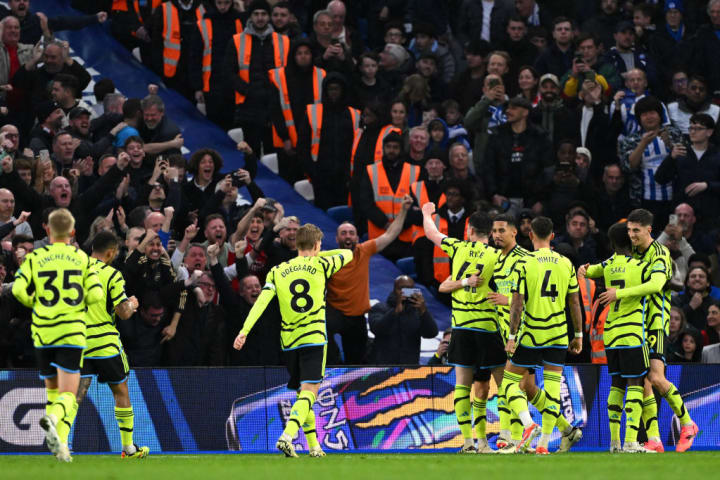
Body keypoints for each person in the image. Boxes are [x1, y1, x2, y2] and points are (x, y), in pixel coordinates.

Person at [233, 223, 352, 458]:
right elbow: (348, 253)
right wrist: (317, 253)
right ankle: (287, 435)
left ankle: (314, 446)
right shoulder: (321, 263)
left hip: (289, 341)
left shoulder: (277, 271)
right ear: (317, 245)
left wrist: (244, 330)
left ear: (297, 245)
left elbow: (261, 303)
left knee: (301, 394)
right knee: (310, 391)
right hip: (314, 337)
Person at [11, 208, 102, 462]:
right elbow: (95, 296)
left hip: (43, 332)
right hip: (71, 331)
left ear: (47, 231)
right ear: (72, 232)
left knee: (53, 391)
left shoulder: (34, 258)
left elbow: (18, 290)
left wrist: (36, 302)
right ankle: (51, 419)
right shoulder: (82, 258)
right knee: (68, 394)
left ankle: (61, 447)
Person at [499, 216, 583, 455]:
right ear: (553, 236)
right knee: (552, 391)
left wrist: (512, 336)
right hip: (558, 334)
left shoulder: (524, 263)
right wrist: (578, 334)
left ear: (531, 235)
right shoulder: (566, 263)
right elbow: (574, 301)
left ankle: (528, 425)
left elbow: (516, 303)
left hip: (532, 334)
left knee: (509, 384)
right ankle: (545, 445)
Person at [422, 202, 502, 453]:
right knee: (500, 386)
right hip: (488, 327)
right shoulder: (497, 256)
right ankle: (504, 437)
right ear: (490, 233)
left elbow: (431, 233)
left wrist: (427, 214)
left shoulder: (458, 247)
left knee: (462, 385)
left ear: (468, 230)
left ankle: (467, 441)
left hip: (462, 326)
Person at [580, 222, 660, 453]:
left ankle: (614, 443)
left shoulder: (606, 265)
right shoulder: (640, 266)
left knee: (616, 384)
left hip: (611, 334)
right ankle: (630, 441)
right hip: (632, 332)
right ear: (630, 241)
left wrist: (583, 268)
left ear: (612, 243)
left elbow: (588, 270)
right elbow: (659, 284)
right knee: (636, 383)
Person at [623, 208, 698, 452]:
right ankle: (654, 438)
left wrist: (620, 292)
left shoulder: (660, 253)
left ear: (648, 230)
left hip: (655, 323)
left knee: (655, 377)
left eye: (636, 230)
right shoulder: (634, 251)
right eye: (629, 230)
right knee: (644, 381)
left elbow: (656, 285)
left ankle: (687, 423)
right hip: (637, 324)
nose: (632, 235)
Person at [72, 231, 148, 459]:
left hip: (77, 342)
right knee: (121, 391)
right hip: (105, 344)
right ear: (111, 252)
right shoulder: (111, 274)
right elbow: (123, 313)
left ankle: (63, 444)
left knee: (75, 395)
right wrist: (132, 304)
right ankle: (128, 448)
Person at [326, 196, 412, 365]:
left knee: (357, 361)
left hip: (357, 315)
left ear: (357, 238)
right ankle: (332, 365)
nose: (348, 236)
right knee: (321, 329)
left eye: (351, 233)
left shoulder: (363, 250)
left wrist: (403, 210)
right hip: (334, 312)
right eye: (343, 233)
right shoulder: (328, 259)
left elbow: (390, 234)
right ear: (337, 239)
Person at [619, 96, 682, 230]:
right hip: (644, 200)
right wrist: (643, 144)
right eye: (644, 114)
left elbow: (684, 163)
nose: (649, 117)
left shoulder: (675, 134)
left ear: (660, 115)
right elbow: (628, 167)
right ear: (639, 118)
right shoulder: (631, 140)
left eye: (652, 112)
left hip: (673, 199)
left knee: (672, 236)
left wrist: (670, 145)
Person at [655, 114, 720, 229]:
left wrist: (707, 185)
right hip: (680, 213)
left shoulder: (717, 155)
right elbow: (660, 178)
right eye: (691, 128)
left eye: (698, 128)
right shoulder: (680, 152)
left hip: (710, 215)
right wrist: (671, 158)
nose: (693, 132)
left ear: (709, 132)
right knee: (674, 244)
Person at [367, 275, 438, 364]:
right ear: (394, 290)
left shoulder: (418, 312)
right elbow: (377, 329)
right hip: (383, 367)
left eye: (409, 290)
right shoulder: (379, 308)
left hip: (408, 368)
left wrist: (424, 312)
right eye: (401, 289)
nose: (404, 293)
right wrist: (395, 312)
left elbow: (431, 333)